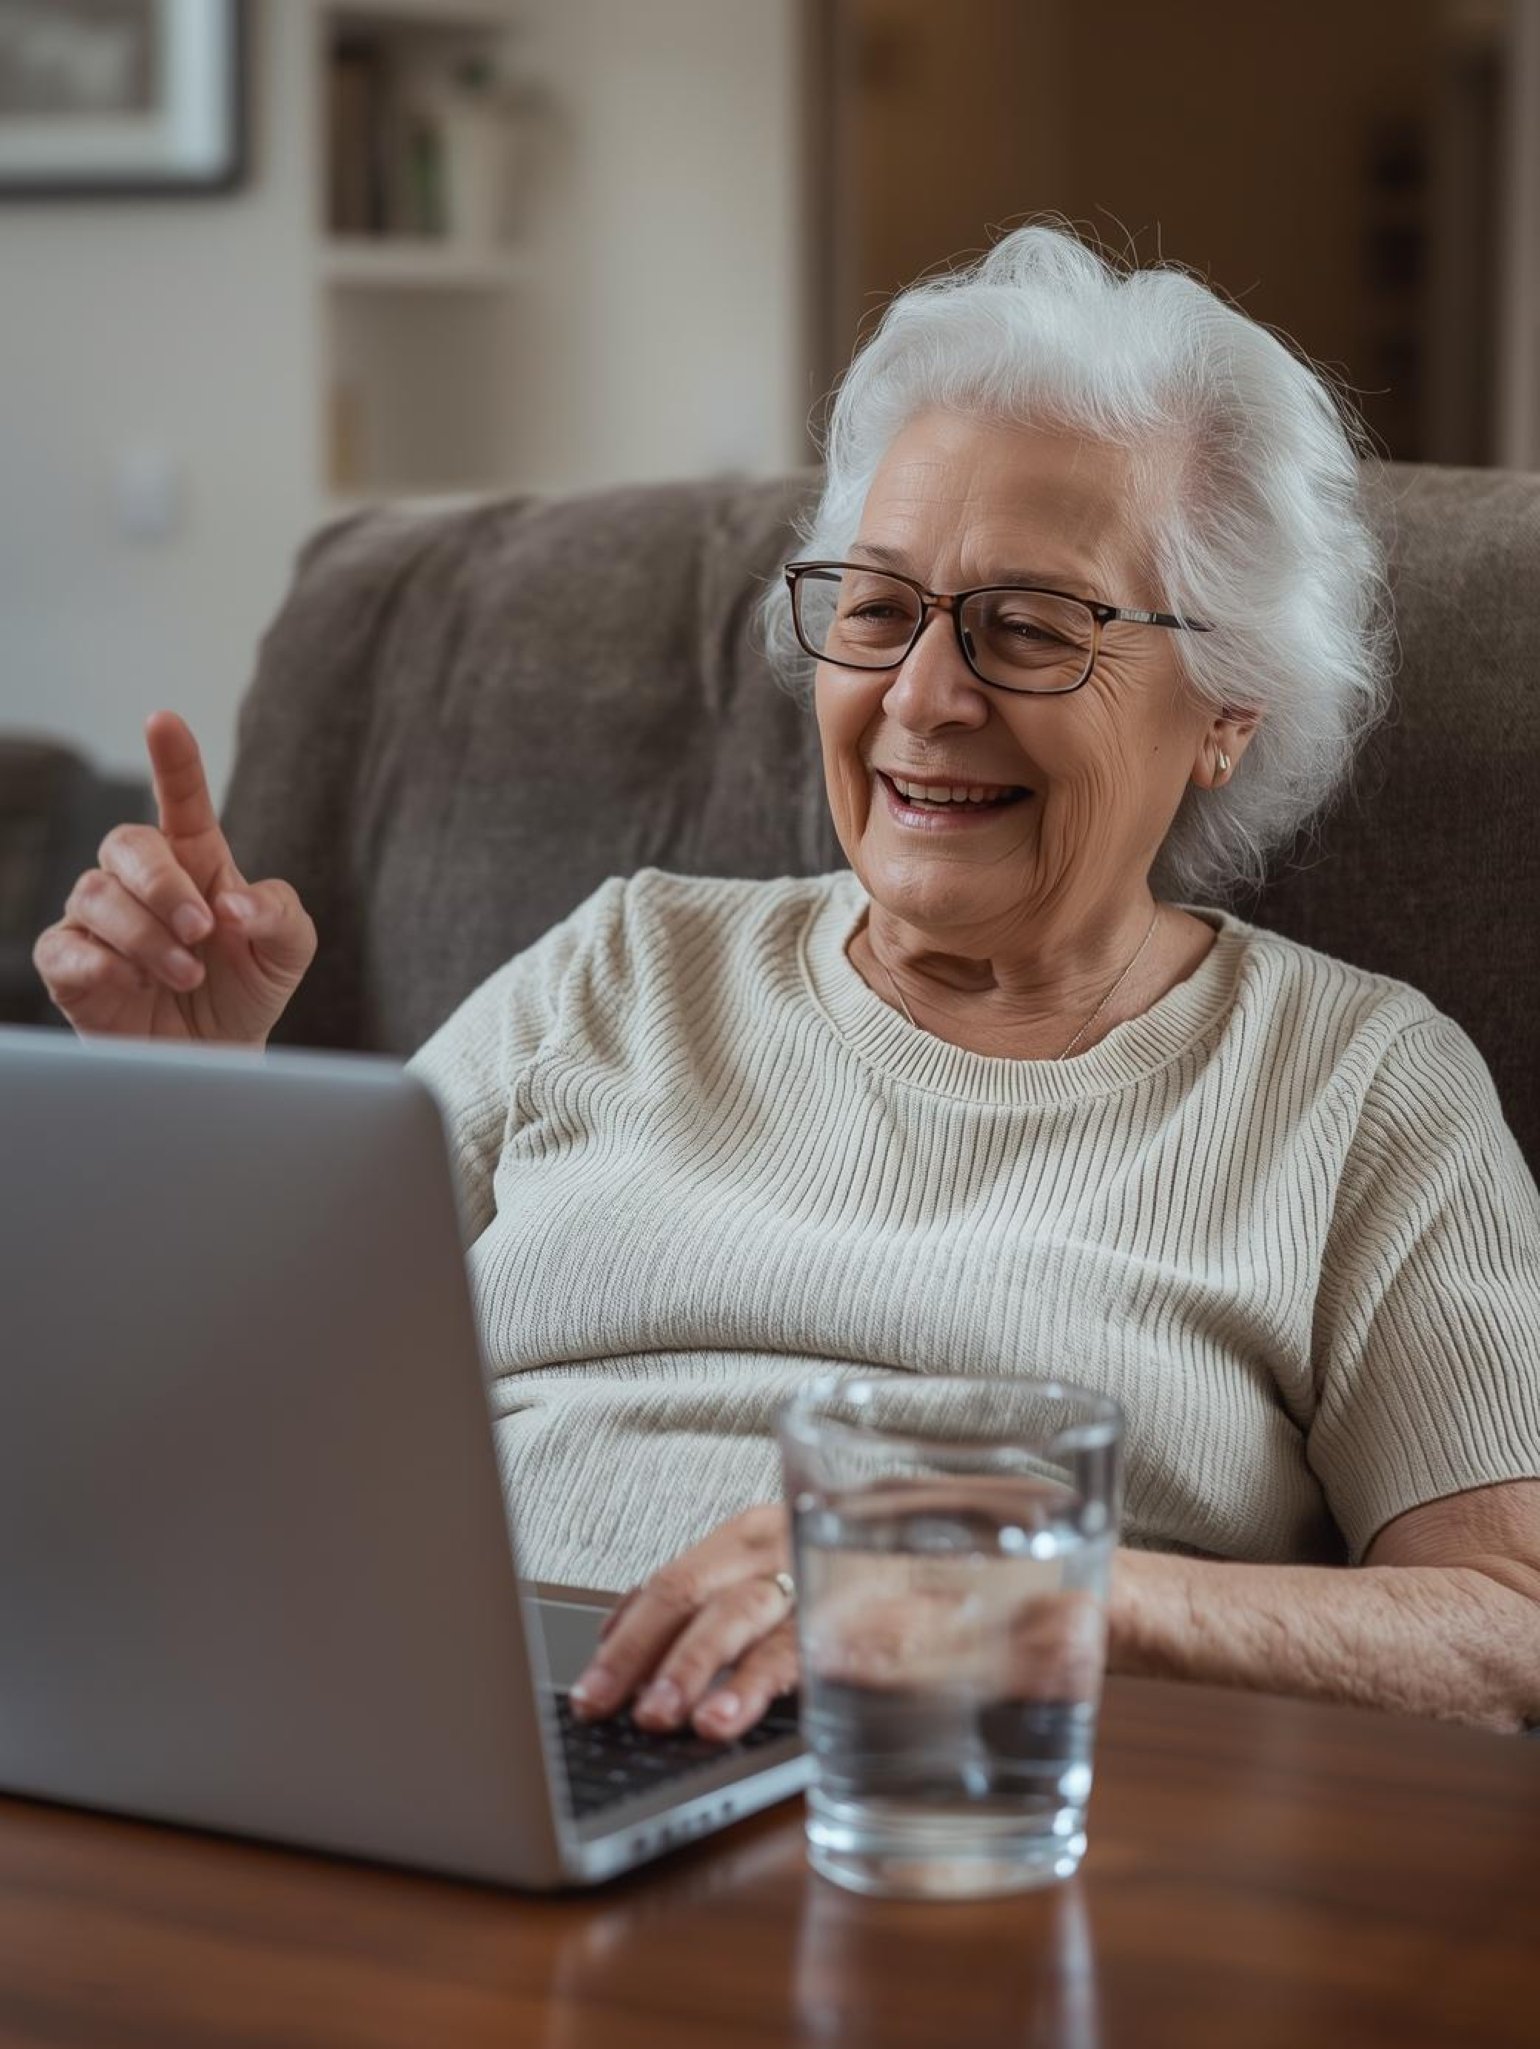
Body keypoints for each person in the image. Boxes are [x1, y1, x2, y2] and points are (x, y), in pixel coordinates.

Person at [34, 225, 1540, 1740]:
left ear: (1227, 705)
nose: (925, 699)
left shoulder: (1355, 1086)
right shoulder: (623, 966)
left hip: (938, 1804)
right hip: (425, 1731)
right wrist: (182, 1094)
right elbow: (219, 1424)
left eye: (1031, 627)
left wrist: (1031, 1597)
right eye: (878, 611)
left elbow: (1507, 1624)